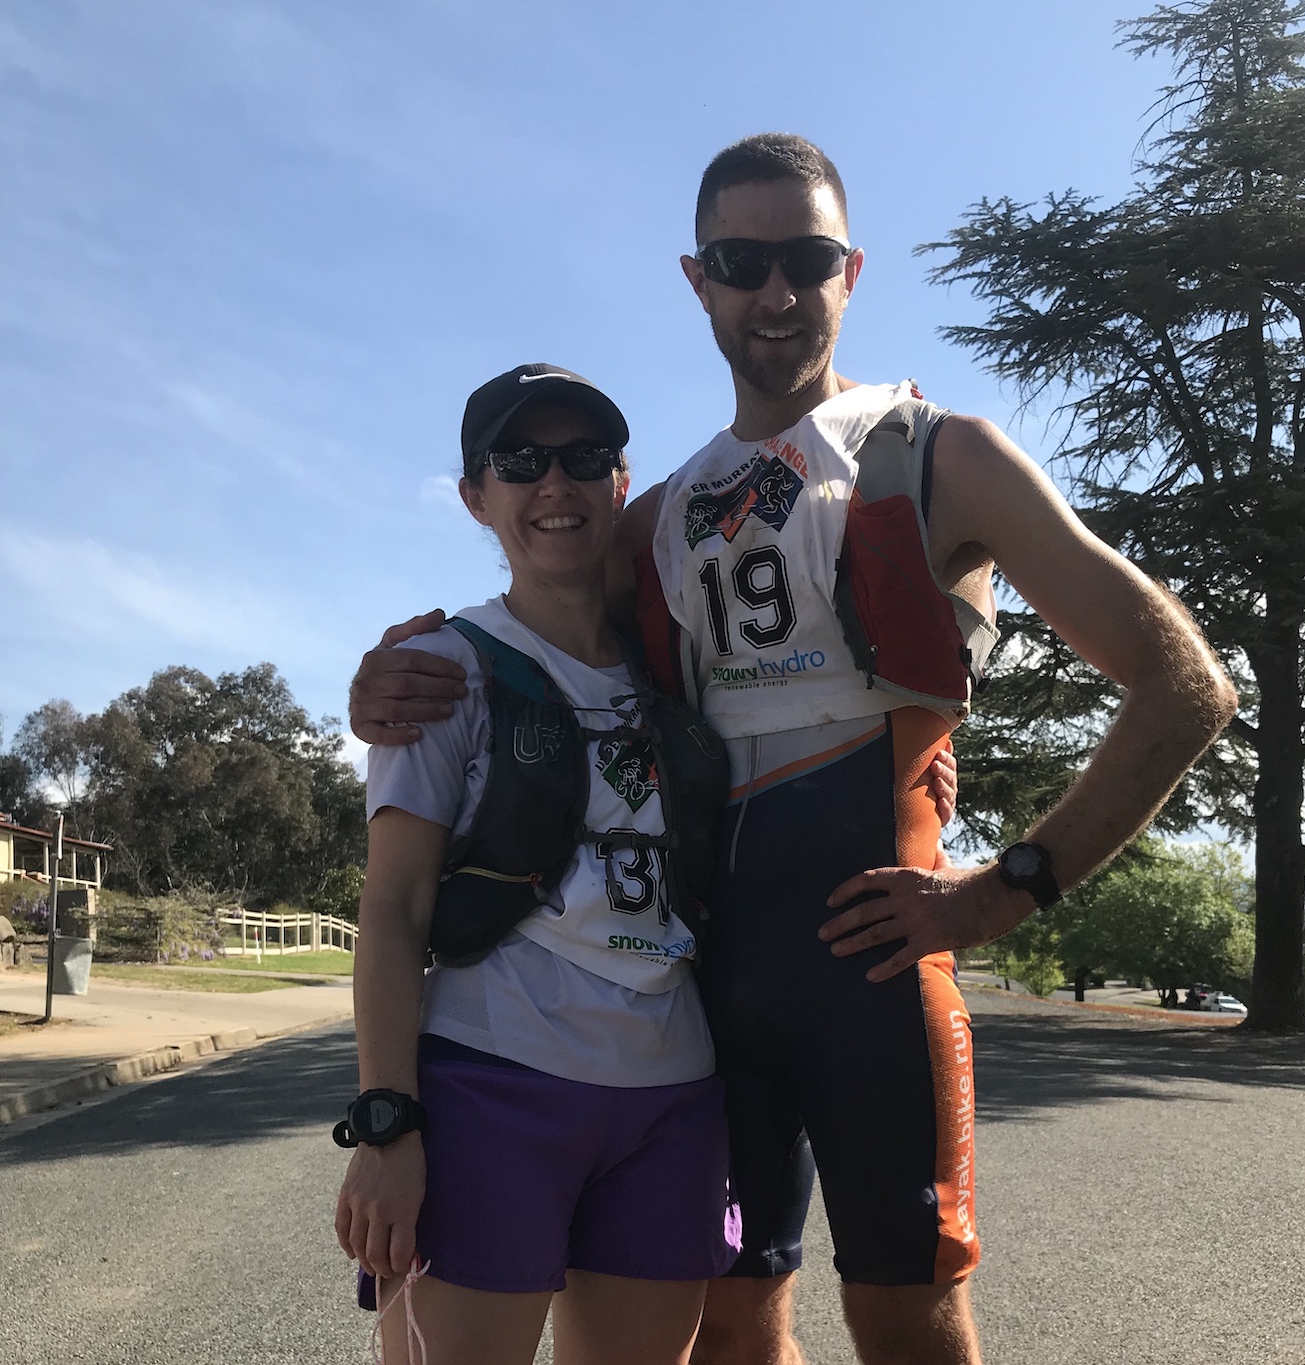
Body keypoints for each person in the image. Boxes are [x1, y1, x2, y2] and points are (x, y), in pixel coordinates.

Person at [350, 135, 1238, 1365]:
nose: (776, 293)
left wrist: (1011, 888)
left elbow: (1185, 683)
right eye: (741, 260)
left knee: (905, 1324)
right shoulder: (653, 514)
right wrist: (392, 671)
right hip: (707, 1000)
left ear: (852, 271)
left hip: (872, 985)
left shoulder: (942, 456)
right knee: (726, 1333)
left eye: (806, 260)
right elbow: (521, 624)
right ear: (698, 279)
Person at [335, 365, 741, 1365]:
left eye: (583, 459)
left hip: (672, 1097)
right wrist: (388, 1127)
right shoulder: (444, 671)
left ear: (619, 483)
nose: (553, 486)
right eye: (518, 463)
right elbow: (392, 908)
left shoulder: (684, 662)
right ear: (476, 496)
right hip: (493, 1086)